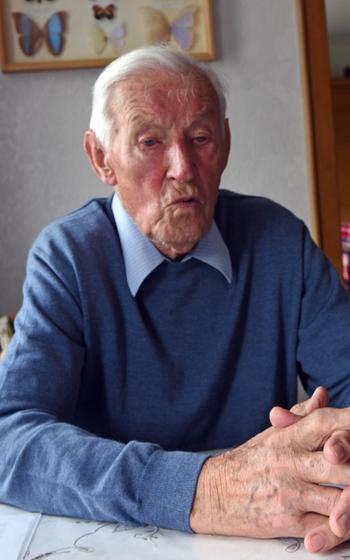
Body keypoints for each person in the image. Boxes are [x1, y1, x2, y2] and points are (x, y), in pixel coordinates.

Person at [0, 45, 349, 555]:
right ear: (102, 158)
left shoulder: (279, 240)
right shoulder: (69, 256)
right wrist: (201, 489)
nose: (183, 167)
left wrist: (338, 454)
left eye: (201, 138)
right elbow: (11, 439)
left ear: (225, 144)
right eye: (149, 141)